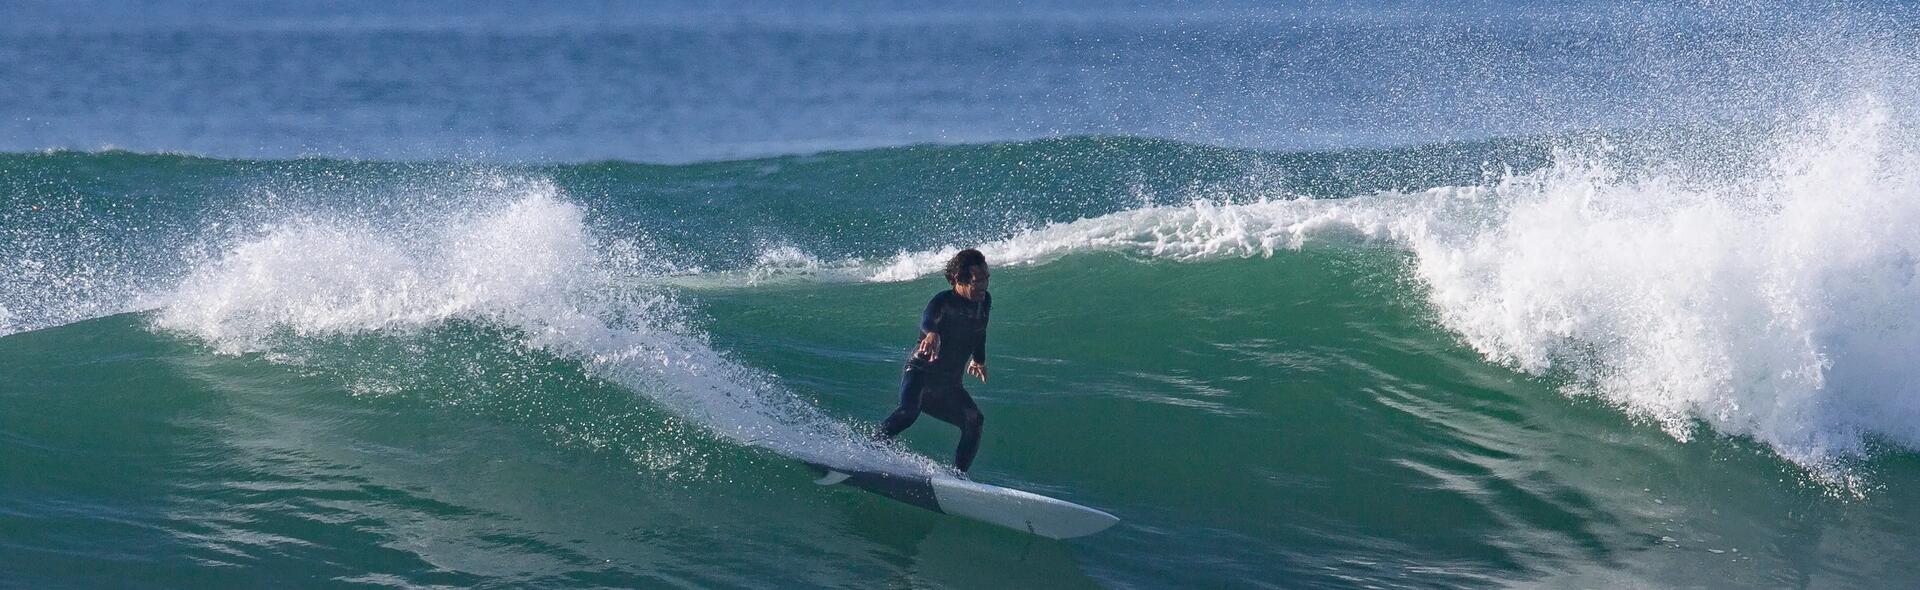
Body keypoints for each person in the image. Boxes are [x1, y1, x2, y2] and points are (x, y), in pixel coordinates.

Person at [876, 248, 992, 472]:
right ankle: (870, 448)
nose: (984, 285)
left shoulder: (984, 300)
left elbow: (980, 331)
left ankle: (957, 478)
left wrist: (979, 359)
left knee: (974, 420)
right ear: (958, 279)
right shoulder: (943, 301)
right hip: (921, 373)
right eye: (978, 281)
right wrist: (931, 333)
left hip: (949, 384)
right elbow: (928, 319)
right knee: (908, 412)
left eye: (987, 278)